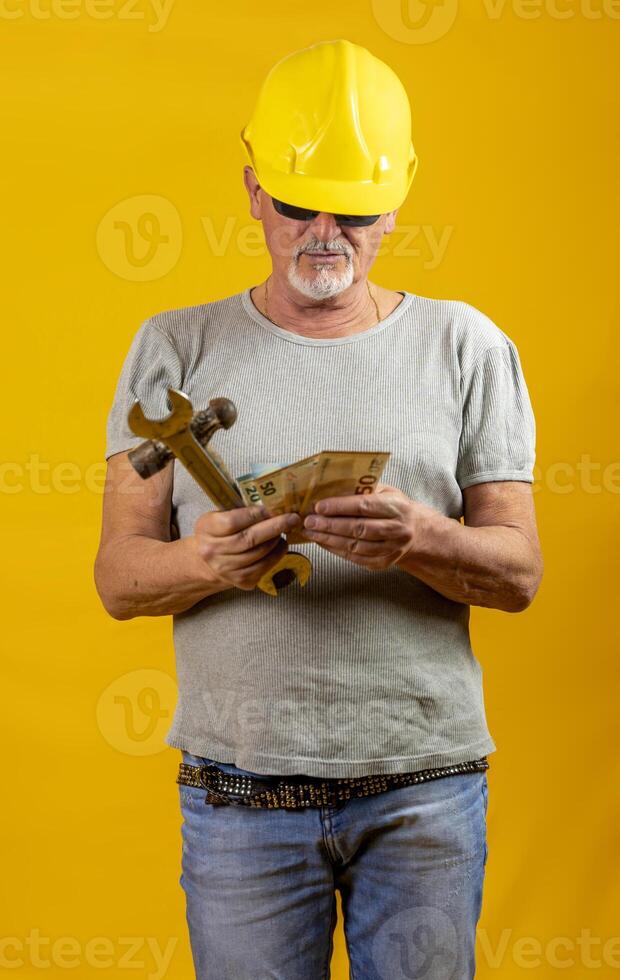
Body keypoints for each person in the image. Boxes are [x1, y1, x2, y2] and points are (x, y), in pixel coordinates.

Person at [94, 38, 543, 980]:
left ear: (396, 202)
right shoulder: (172, 345)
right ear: (256, 190)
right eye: (299, 203)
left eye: (356, 209)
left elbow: (520, 575)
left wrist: (421, 536)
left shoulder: (468, 346)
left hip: (424, 795)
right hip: (238, 801)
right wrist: (204, 561)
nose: (324, 233)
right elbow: (118, 579)